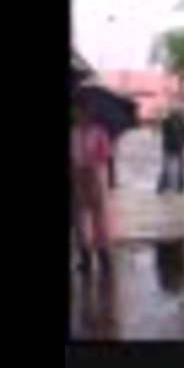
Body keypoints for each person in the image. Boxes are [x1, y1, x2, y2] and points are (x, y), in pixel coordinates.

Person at [71, 94, 115, 272]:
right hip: (77, 177)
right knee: (80, 219)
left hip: (96, 176)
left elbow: (106, 156)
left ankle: (104, 257)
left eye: (84, 111)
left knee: (99, 218)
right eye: (77, 111)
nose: (80, 114)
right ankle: (85, 257)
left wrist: (93, 163)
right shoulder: (73, 133)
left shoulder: (100, 132)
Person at [157, 108, 184, 193]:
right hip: (176, 146)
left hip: (171, 146)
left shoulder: (167, 122)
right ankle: (179, 185)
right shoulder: (182, 123)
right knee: (178, 166)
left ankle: (166, 185)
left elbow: (164, 133)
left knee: (168, 166)